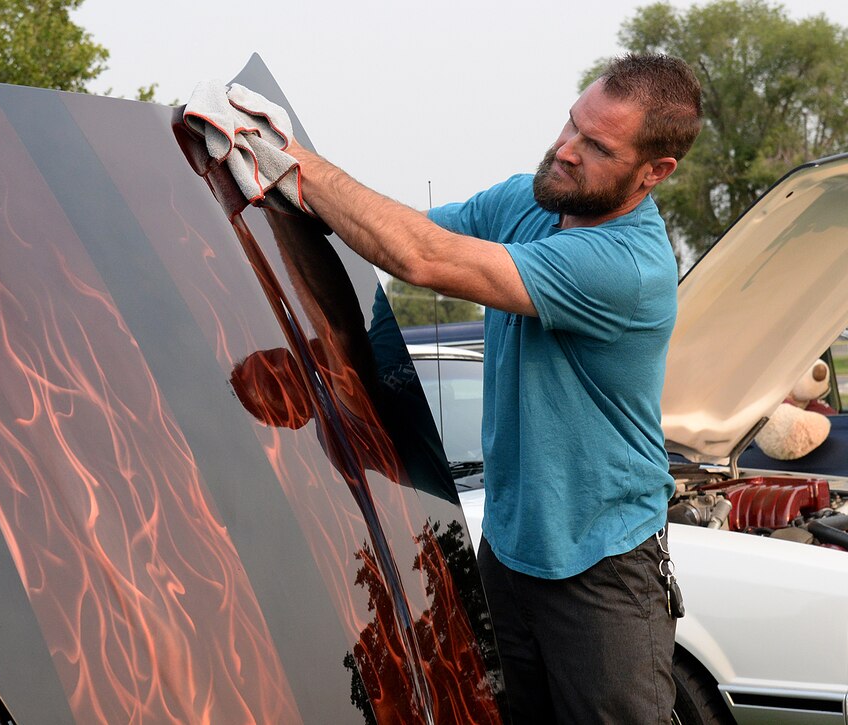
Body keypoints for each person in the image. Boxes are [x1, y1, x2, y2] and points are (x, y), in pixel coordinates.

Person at [287, 54, 703, 724]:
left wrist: (297, 163)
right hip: (509, 552)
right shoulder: (528, 202)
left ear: (653, 173)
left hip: (602, 564)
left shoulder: (626, 266)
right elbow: (398, 230)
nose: (565, 150)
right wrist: (284, 187)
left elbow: (422, 257)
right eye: (572, 123)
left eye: (596, 147)